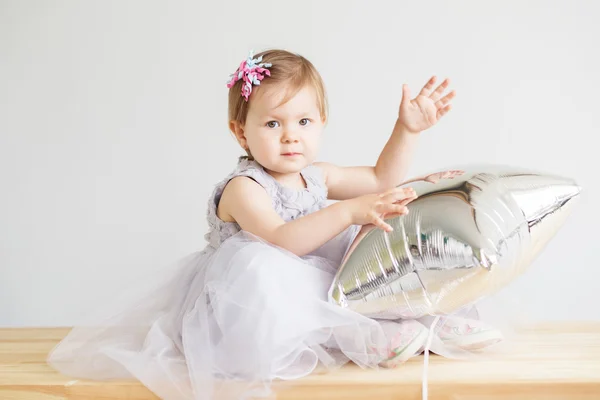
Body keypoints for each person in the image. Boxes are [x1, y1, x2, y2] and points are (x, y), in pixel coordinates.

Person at [47, 49, 502, 400]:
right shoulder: (244, 188)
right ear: (240, 132)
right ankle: (373, 335)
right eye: (272, 123)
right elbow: (284, 242)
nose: (290, 135)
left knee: (380, 238)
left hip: (311, 273)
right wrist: (348, 210)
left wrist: (409, 131)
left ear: (321, 122)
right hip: (247, 305)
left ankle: (424, 319)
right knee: (268, 270)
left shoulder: (317, 175)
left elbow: (382, 179)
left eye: (303, 120)